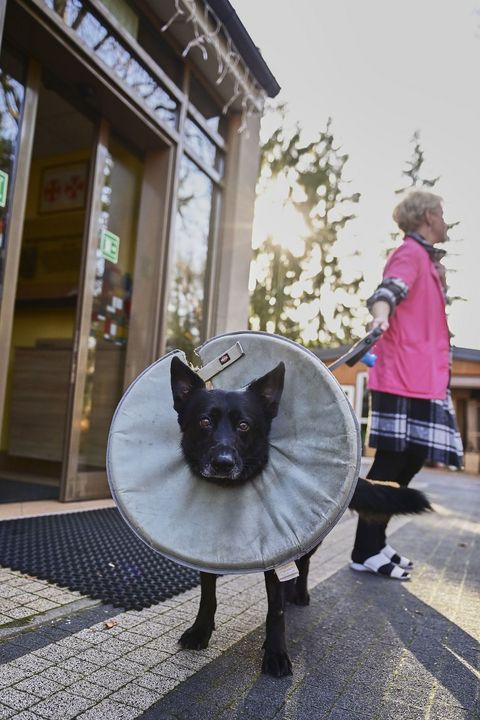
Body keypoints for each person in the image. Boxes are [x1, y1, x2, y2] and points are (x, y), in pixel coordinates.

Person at [351, 190, 464, 580]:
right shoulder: (409, 254)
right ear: (428, 216)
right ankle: (364, 550)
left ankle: (376, 542)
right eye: (443, 212)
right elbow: (387, 292)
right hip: (402, 375)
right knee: (392, 460)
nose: (446, 220)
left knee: (412, 458)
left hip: (425, 379)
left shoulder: (429, 262)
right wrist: (380, 318)